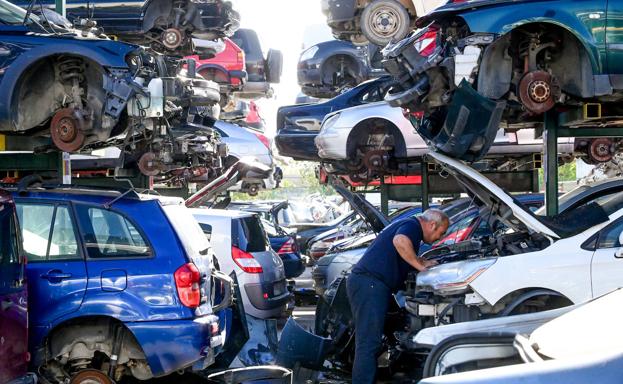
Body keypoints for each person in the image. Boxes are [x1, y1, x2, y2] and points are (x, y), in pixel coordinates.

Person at [347, 208, 449, 383]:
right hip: (370, 284)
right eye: (441, 232)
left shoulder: (411, 229)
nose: (440, 238)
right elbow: (400, 241)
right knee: (368, 343)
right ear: (432, 224)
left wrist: (421, 261)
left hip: (373, 285)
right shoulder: (412, 225)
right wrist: (420, 265)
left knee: (389, 333)